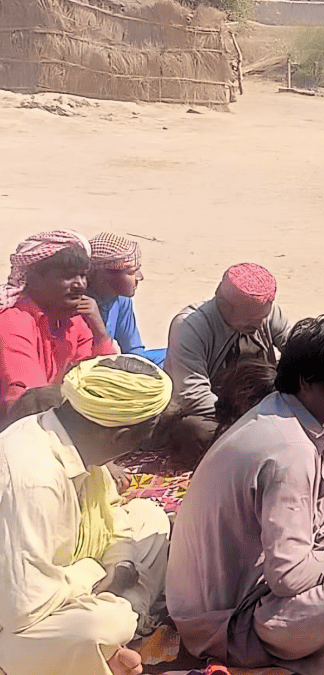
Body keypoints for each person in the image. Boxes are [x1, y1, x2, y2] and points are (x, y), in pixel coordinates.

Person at [167, 317, 324, 675]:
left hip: (260, 574)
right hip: (228, 619)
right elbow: (288, 577)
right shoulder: (288, 452)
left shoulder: (300, 414)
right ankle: (311, 666)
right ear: (308, 382)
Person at [0, 354, 174, 675]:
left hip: (64, 582)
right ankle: (110, 636)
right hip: (13, 625)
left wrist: (119, 563)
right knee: (104, 625)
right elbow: (23, 608)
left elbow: (113, 515)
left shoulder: (71, 439)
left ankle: (111, 634)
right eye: (146, 433)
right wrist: (97, 573)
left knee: (148, 518)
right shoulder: (34, 477)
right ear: (120, 436)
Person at [155, 263, 290, 469]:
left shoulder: (267, 315)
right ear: (223, 304)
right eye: (251, 320)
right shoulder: (190, 326)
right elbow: (193, 395)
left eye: (262, 318)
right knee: (194, 431)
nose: (259, 325)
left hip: (264, 408)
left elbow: (297, 351)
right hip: (218, 414)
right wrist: (249, 420)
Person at [0, 231, 116, 421]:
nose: (79, 285)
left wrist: (100, 333)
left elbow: (104, 380)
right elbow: (28, 402)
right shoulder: (12, 320)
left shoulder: (76, 320)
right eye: (68, 277)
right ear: (35, 280)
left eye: (82, 276)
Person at [86, 232, 167, 367]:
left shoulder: (121, 300)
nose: (139, 277)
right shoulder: (80, 305)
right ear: (102, 276)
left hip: (113, 363)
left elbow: (133, 351)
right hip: (90, 371)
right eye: (131, 272)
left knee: (180, 356)